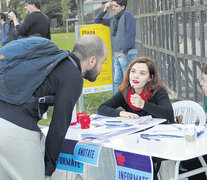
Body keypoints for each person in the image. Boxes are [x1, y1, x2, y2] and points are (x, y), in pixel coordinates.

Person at [0, 34, 108, 180]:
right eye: (103, 62)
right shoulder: (73, 75)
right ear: (92, 60)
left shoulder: (55, 62)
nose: (101, 68)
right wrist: (48, 170)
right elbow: (58, 125)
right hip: (16, 129)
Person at [98, 57, 174, 123]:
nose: (136, 76)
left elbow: (169, 113)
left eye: (142, 73)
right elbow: (102, 108)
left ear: (150, 78)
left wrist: (143, 104)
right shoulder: (125, 92)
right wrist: (121, 113)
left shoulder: (158, 91)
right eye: (133, 71)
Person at [94, 0, 138, 95]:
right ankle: (115, 103)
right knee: (117, 81)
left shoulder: (127, 15)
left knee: (129, 81)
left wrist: (124, 52)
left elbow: (131, 34)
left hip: (127, 54)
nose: (113, 8)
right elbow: (97, 20)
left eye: (116, 6)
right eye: (112, 6)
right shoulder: (113, 19)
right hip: (117, 54)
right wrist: (105, 8)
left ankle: (131, 103)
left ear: (123, 7)